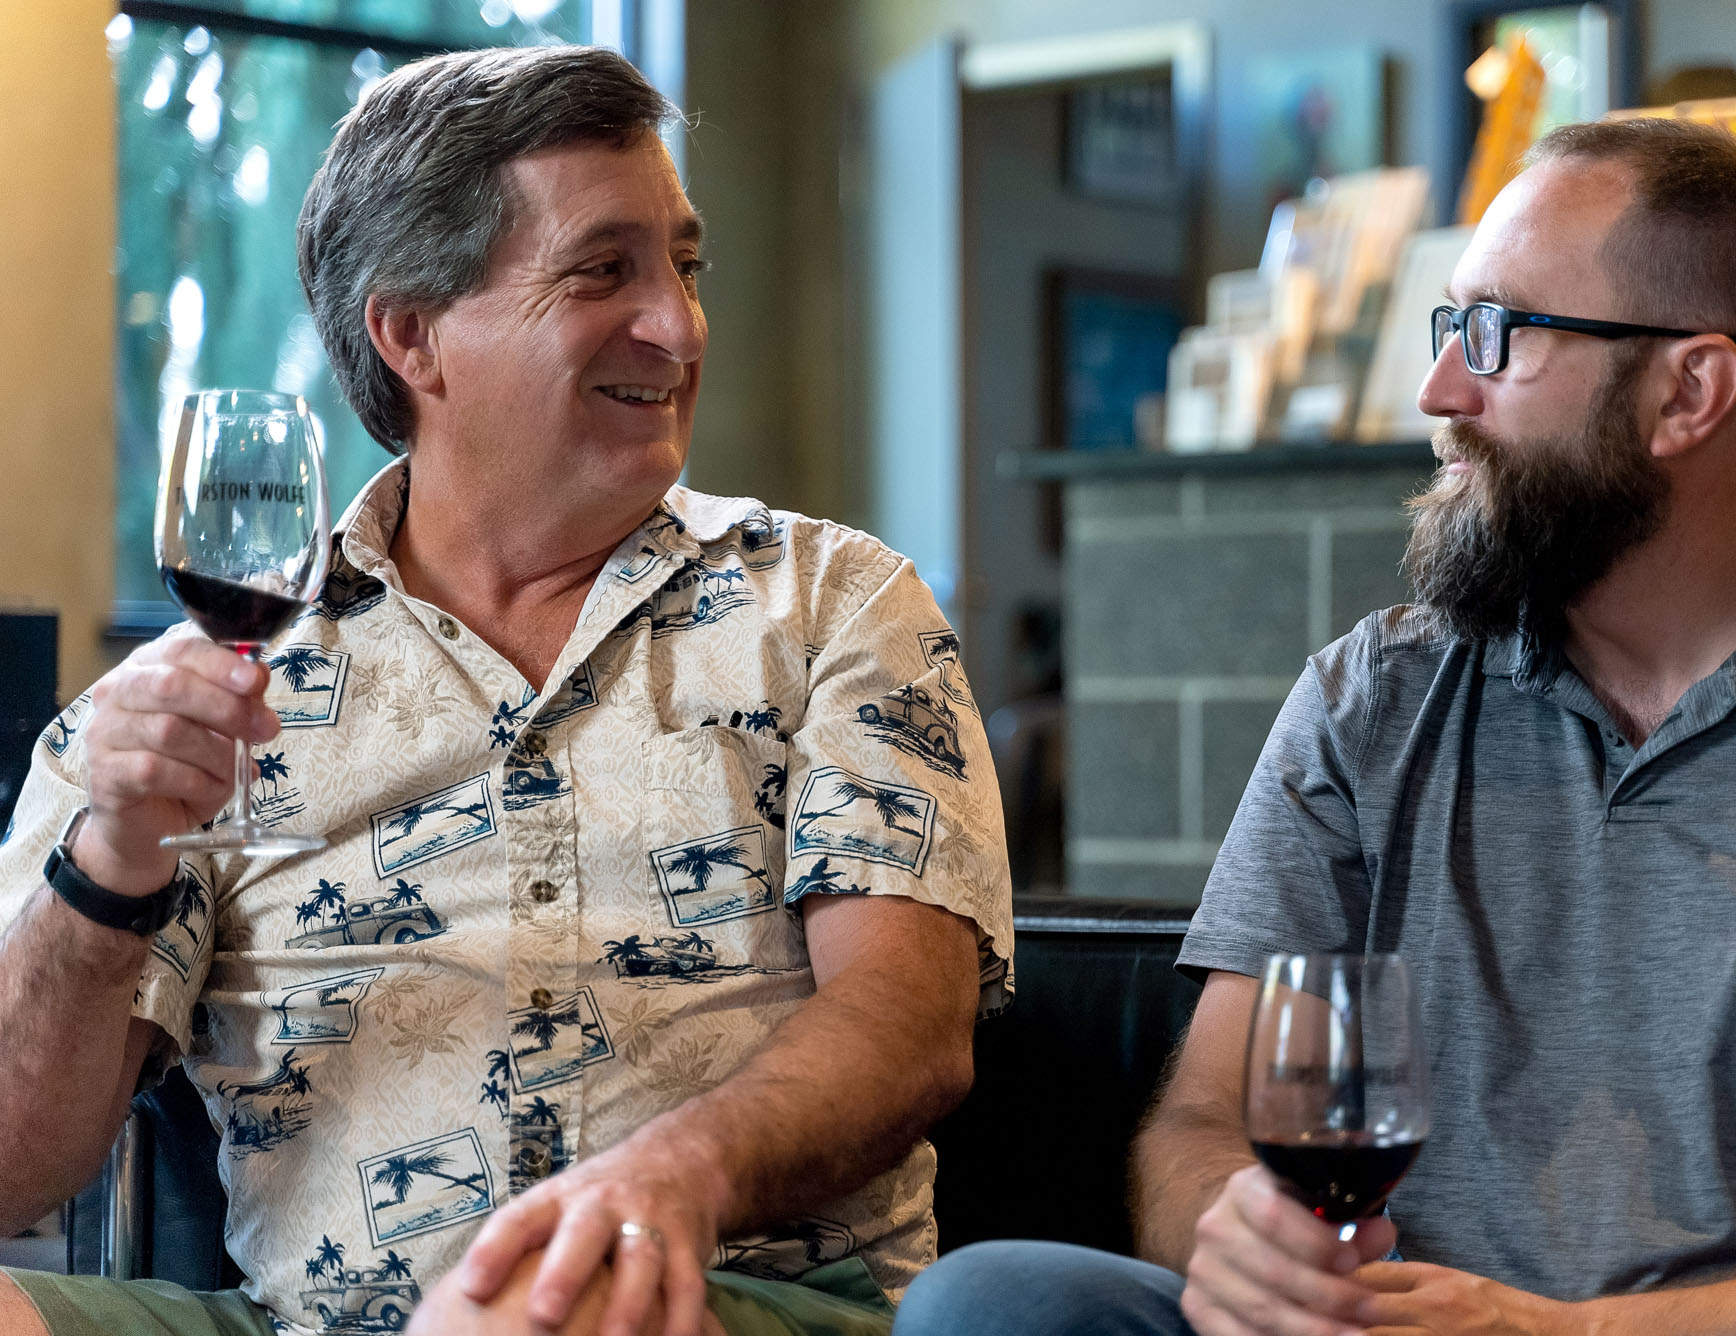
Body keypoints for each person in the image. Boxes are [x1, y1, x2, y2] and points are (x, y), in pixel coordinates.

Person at [895, 119, 1736, 1336]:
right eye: (1446, 330)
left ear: (1689, 390)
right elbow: (1203, 1122)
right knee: (990, 1297)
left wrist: (1564, 1331)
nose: (1436, 395)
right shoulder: (1372, 695)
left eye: (1494, 337)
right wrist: (1237, 1235)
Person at [0, 44, 1010, 1336]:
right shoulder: (207, 694)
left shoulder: (831, 606)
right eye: (606, 271)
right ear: (413, 332)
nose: (678, 324)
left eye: (684, 267)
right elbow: (16, 1166)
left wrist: (667, 1181)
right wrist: (113, 860)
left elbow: (910, 1027)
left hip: (721, 1293)